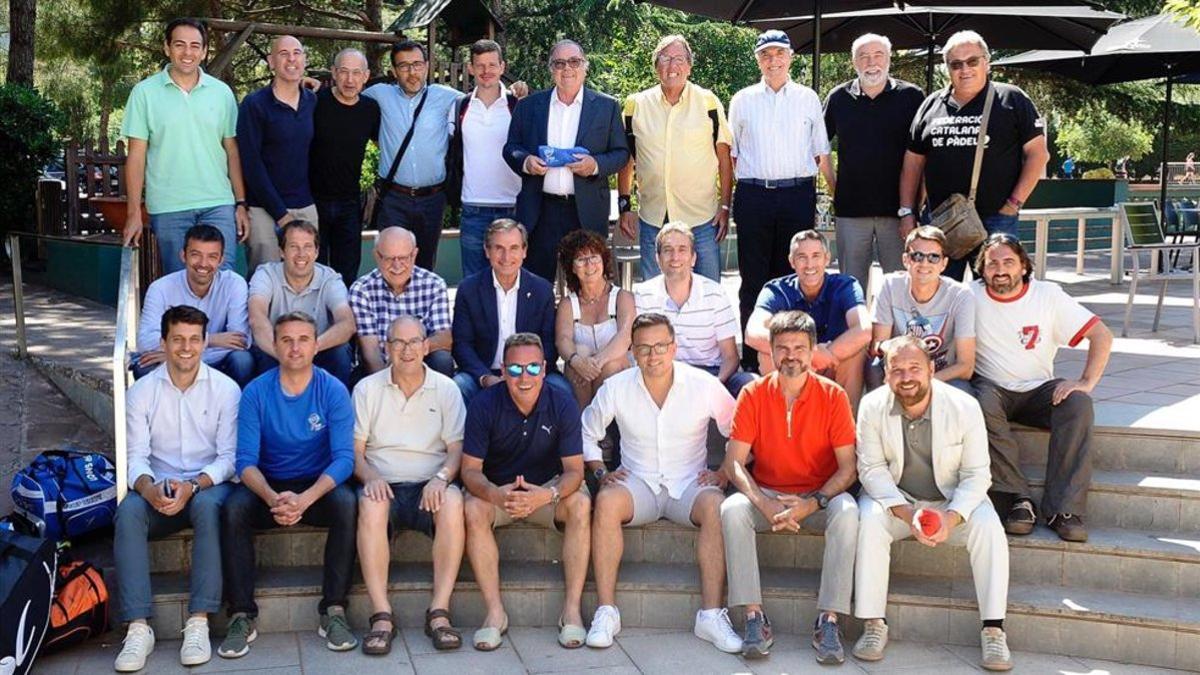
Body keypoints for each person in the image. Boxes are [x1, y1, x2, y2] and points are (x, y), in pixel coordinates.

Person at [581, 313, 741, 653]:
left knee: (716, 504)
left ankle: (711, 615)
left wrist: (725, 473)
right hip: (638, 484)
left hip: (689, 485)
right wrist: (599, 472)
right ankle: (607, 611)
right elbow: (586, 432)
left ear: (674, 347)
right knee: (607, 500)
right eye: (644, 349)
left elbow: (739, 431)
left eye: (660, 347)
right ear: (632, 353)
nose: (653, 356)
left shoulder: (702, 384)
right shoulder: (617, 387)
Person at [854, 336, 1011, 670]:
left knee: (989, 526)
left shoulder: (964, 406)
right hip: (899, 501)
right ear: (885, 374)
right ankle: (872, 624)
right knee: (868, 519)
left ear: (931, 369)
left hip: (951, 501)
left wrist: (951, 518)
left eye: (914, 368)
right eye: (897, 370)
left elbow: (977, 474)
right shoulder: (871, 406)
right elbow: (871, 469)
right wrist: (908, 513)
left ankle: (994, 629)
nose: (906, 377)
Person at [720, 311, 859, 663]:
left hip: (818, 497)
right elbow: (735, 461)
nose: (791, 356)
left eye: (799, 347)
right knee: (732, 509)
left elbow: (848, 469)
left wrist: (811, 504)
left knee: (848, 512)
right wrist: (763, 504)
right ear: (770, 350)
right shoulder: (753, 393)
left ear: (813, 351)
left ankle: (829, 619)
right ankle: (754, 616)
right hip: (768, 494)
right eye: (782, 348)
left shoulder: (834, 396)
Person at [219, 311, 358, 658]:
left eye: (303, 339)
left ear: (315, 346)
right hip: (268, 485)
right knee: (234, 508)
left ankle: (334, 610)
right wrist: (271, 497)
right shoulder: (255, 392)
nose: (295, 348)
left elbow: (344, 458)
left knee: (347, 504)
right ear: (275, 346)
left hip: (316, 485)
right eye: (287, 340)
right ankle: (240, 614)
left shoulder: (333, 390)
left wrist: (306, 499)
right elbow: (245, 462)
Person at [113, 306, 239, 671]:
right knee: (129, 512)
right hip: (160, 486)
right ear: (164, 342)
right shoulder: (141, 393)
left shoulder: (226, 390)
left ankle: (198, 622)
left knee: (207, 507)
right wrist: (148, 488)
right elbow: (135, 457)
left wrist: (193, 485)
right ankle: (138, 627)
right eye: (178, 339)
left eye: (194, 340)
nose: (187, 348)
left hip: (206, 484)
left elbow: (229, 458)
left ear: (204, 343)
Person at [971, 234, 1112, 543]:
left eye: (1008, 262)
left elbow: (1101, 335)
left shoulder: (1048, 295)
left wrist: (1085, 382)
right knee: (978, 403)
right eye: (992, 263)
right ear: (982, 269)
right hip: (992, 387)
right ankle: (1018, 500)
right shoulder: (969, 296)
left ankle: (1065, 510)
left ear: (1024, 266)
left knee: (1078, 405)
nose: (1000, 270)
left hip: (1039, 389)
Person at [460, 333, 591, 651]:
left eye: (532, 368)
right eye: (515, 369)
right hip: (499, 491)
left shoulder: (562, 402)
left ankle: (571, 610)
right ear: (503, 370)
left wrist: (547, 496)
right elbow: (470, 471)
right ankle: (494, 613)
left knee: (582, 505)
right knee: (473, 509)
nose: (524, 377)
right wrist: (495, 495)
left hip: (548, 490)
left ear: (545, 369)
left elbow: (575, 470)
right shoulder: (483, 405)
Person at [352, 316, 467, 654]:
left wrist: (442, 478)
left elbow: (457, 450)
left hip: (429, 484)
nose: (406, 350)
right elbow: (354, 453)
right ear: (386, 348)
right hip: (383, 483)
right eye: (398, 343)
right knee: (370, 505)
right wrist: (371, 477)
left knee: (454, 502)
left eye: (414, 341)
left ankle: (439, 612)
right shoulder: (367, 389)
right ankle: (381, 614)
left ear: (426, 346)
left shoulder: (446, 388)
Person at [900, 30, 1050, 281]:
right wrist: (906, 212)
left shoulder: (1011, 98)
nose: (964, 69)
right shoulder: (931, 104)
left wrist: (1012, 205)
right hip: (941, 221)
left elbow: (1038, 155)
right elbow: (913, 162)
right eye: (956, 64)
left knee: (998, 290)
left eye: (972, 61)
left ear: (986, 62)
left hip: (996, 218)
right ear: (946, 68)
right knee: (940, 292)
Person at [728, 29, 831, 370]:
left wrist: (836, 193)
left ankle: (794, 356)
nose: (773, 60)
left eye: (779, 54)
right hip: (754, 194)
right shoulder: (742, 99)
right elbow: (732, 155)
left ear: (790, 57)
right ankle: (752, 362)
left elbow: (821, 153)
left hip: (796, 195)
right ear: (758, 60)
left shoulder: (808, 98)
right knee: (753, 279)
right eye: (766, 55)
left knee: (793, 276)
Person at [120, 17, 250, 273]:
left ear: (203, 51)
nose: (187, 52)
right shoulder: (144, 93)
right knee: (181, 283)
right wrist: (133, 212)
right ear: (167, 48)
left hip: (218, 203)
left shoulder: (222, 93)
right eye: (180, 44)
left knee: (223, 279)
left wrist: (240, 203)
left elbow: (232, 151)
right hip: (169, 207)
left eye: (195, 45)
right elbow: (136, 157)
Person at [502, 39, 629, 282]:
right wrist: (526, 161)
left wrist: (595, 165)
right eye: (559, 63)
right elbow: (511, 148)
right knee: (535, 285)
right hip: (540, 210)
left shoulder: (607, 106)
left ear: (585, 67)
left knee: (589, 284)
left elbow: (621, 153)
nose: (567, 68)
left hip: (586, 210)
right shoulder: (529, 106)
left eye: (574, 62)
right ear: (551, 69)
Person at [617, 34, 732, 282]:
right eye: (665, 59)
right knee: (654, 295)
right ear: (656, 66)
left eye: (679, 59)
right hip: (653, 217)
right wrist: (625, 206)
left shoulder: (709, 102)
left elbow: (724, 158)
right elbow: (626, 159)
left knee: (708, 291)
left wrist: (725, 206)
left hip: (702, 219)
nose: (672, 66)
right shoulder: (634, 105)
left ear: (689, 66)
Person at [819, 33, 924, 293]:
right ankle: (859, 335)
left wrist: (913, 206)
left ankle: (899, 336)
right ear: (854, 62)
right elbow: (819, 149)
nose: (871, 62)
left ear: (889, 59)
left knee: (901, 287)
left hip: (899, 213)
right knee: (851, 289)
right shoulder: (838, 98)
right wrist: (835, 187)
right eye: (864, 57)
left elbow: (926, 154)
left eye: (878, 55)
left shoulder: (912, 97)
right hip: (851, 211)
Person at [363, 40, 462, 271]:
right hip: (394, 198)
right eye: (404, 66)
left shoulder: (445, 96)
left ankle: (422, 308)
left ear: (427, 66)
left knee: (425, 265)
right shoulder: (379, 94)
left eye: (417, 64)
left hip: (433, 199)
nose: (412, 72)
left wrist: (514, 91)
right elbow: (346, 91)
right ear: (394, 70)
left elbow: (482, 99)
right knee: (390, 263)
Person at [744, 230, 870, 408]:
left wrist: (827, 354)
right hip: (795, 364)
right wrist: (810, 353)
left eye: (816, 256)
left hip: (833, 362)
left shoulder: (845, 285)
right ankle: (783, 420)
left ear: (827, 258)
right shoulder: (776, 290)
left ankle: (846, 426)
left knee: (855, 353)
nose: (809, 264)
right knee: (766, 354)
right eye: (802, 257)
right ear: (791, 261)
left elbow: (863, 330)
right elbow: (752, 333)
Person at [451, 219, 570, 402]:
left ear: (524, 251)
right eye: (499, 248)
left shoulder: (542, 290)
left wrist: (528, 373)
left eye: (514, 248)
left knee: (562, 391)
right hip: (484, 373)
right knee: (458, 387)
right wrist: (485, 378)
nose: (506, 257)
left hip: (530, 372)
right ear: (486, 251)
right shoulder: (469, 289)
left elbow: (548, 345)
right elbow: (462, 345)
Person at [633, 223, 754, 397]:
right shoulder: (642, 295)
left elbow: (730, 357)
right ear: (658, 259)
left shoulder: (715, 293)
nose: (675, 257)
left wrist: (714, 385)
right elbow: (636, 353)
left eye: (682, 249)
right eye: (668, 250)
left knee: (750, 384)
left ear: (694, 258)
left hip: (710, 374)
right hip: (661, 375)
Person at [134, 224, 254, 386]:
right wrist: (211, 340)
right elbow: (146, 342)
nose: (203, 263)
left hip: (215, 363)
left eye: (212, 256)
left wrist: (177, 353)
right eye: (196, 255)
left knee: (242, 361)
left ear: (221, 260)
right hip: (180, 361)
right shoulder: (161, 288)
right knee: (144, 366)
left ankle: (234, 411)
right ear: (183, 256)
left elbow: (240, 341)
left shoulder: (234, 284)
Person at [238, 35, 318, 276]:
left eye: (297, 53)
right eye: (283, 54)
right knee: (266, 280)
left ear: (304, 60)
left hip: (305, 205)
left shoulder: (312, 101)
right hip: (263, 210)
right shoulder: (254, 105)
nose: (291, 59)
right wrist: (280, 214)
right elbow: (251, 164)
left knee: (305, 278)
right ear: (271, 62)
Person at [248, 220, 356, 386]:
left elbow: (347, 324)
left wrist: (308, 349)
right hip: (276, 352)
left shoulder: (330, 279)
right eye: (293, 246)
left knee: (341, 352)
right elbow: (257, 319)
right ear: (282, 252)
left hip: (317, 350)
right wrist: (286, 355)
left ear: (316, 252)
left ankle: (335, 408)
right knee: (259, 354)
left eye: (307, 247)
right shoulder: (266, 274)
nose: (301, 253)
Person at [869, 226, 975, 391]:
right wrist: (886, 347)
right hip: (901, 370)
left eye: (933, 257)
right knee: (874, 368)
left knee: (963, 390)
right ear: (906, 260)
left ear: (944, 263)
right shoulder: (889, 285)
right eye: (917, 256)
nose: (925, 263)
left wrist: (923, 381)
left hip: (942, 373)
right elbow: (878, 345)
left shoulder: (961, 295)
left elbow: (965, 367)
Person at [448, 39, 521, 278]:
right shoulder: (460, 106)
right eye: (480, 65)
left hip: (513, 206)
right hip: (473, 207)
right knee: (472, 280)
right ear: (470, 68)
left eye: (492, 65)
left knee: (511, 279)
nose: (486, 71)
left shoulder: (518, 105)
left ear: (502, 66)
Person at [311, 48, 380, 288]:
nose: (350, 80)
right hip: (313, 201)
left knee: (347, 272)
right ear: (333, 73)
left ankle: (344, 322)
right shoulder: (315, 102)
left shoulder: (371, 109)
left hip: (350, 203)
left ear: (366, 76)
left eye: (356, 73)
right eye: (343, 72)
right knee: (313, 270)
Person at [349, 227, 454, 377]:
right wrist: (387, 386)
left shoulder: (434, 284)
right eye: (390, 258)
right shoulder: (361, 290)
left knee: (442, 359)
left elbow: (444, 337)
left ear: (414, 255)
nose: (397, 266)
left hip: (421, 364)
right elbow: (370, 351)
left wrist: (408, 351)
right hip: (380, 369)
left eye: (403, 258)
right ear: (377, 256)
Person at [554, 229, 634, 407]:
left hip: (615, 371)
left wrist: (595, 364)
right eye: (581, 259)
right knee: (578, 357)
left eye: (594, 257)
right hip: (582, 376)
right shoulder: (567, 304)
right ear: (572, 267)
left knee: (611, 365)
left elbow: (625, 336)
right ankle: (584, 426)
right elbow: (562, 340)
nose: (589, 265)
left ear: (603, 261)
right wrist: (578, 362)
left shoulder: (622, 297)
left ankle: (604, 428)